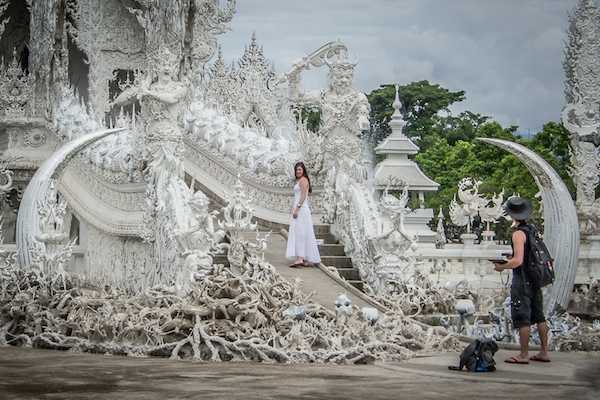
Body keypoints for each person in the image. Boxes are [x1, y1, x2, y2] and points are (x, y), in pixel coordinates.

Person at [493, 197, 551, 364]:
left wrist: (502, 266)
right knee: (539, 317)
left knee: (522, 317)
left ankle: (523, 355)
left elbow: (518, 261)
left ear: (511, 214)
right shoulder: (532, 230)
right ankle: (544, 352)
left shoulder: (518, 233)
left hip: (522, 279)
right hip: (535, 279)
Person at [286, 162, 321, 267]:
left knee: (301, 233)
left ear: (303, 170)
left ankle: (301, 258)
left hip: (301, 210)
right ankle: (304, 257)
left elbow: (303, 195)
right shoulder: (300, 180)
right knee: (301, 232)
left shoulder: (303, 180)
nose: (298, 171)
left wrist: (297, 208)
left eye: (300, 169)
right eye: (296, 170)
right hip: (300, 209)